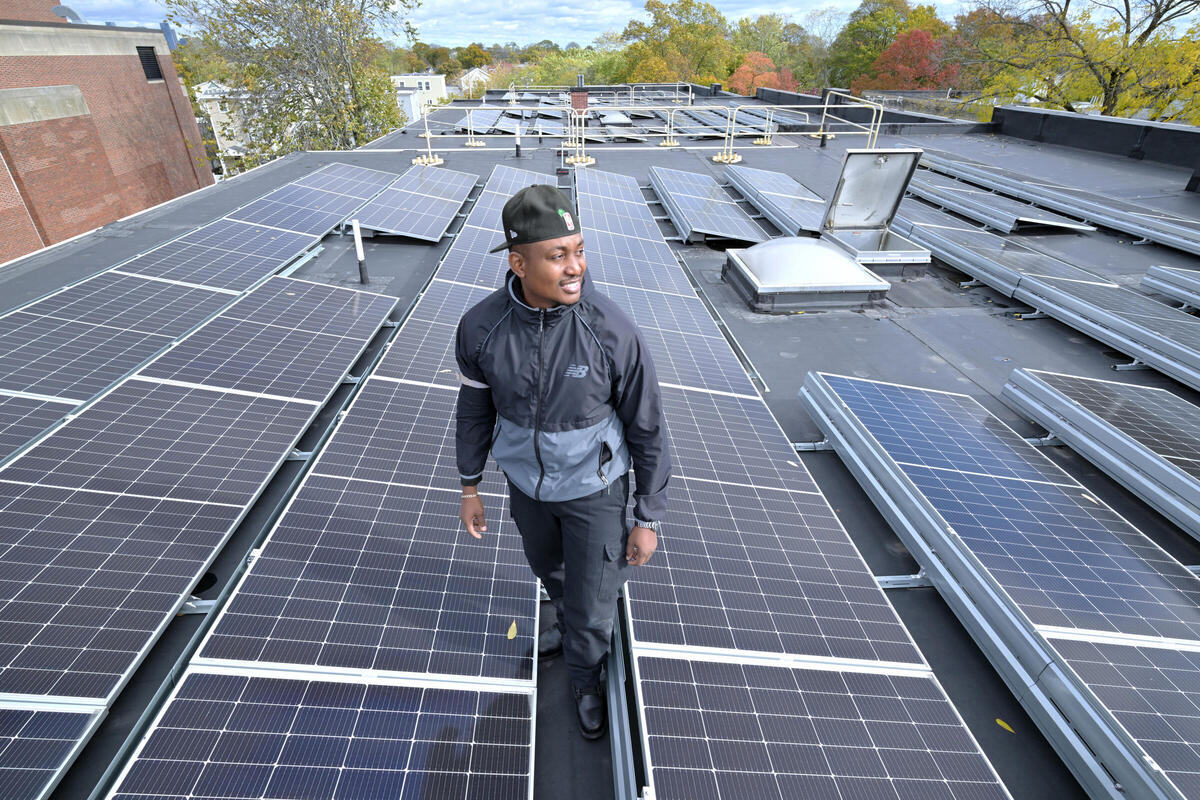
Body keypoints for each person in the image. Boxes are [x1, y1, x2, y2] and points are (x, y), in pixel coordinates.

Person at [454, 183, 670, 739]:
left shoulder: (611, 331)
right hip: (526, 488)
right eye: (558, 256)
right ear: (518, 262)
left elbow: (647, 426)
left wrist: (647, 516)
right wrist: (470, 484)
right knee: (549, 570)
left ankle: (583, 675)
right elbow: (475, 409)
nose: (575, 268)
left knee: (595, 600)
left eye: (579, 250)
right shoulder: (480, 328)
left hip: (595, 491)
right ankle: (566, 625)